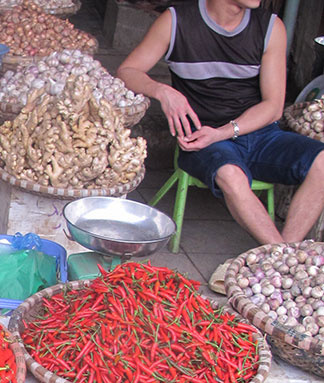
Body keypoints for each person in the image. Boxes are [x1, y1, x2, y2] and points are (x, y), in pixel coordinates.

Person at [116, 0, 324, 245]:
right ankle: (282, 256)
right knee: (231, 175)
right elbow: (127, 71)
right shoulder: (175, 22)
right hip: (201, 137)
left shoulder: (270, 28)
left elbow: (273, 107)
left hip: (259, 133)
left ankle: (285, 254)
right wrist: (162, 91)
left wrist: (225, 132)